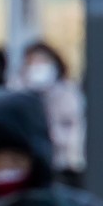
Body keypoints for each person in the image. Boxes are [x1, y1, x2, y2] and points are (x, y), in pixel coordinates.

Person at [21, 41, 87, 185]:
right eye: (33, 63)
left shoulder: (68, 95)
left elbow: (75, 129)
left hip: (65, 167)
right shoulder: (19, 96)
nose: (38, 68)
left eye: (43, 62)